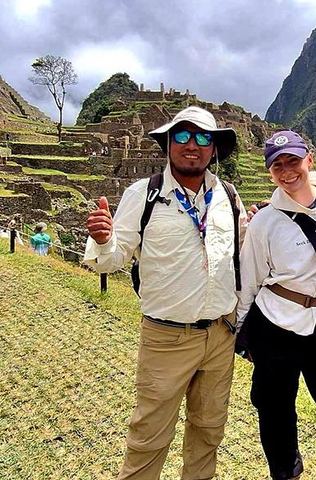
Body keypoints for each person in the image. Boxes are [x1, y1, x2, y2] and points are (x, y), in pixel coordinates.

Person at [84, 106, 247, 480]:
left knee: (209, 431)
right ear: (169, 143)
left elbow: (242, 253)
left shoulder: (228, 196)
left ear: (214, 148)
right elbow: (112, 259)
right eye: (184, 136)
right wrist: (103, 240)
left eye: (204, 137)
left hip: (220, 335)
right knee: (149, 437)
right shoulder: (143, 195)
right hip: (166, 338)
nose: (193, 145)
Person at [237, 131, 316, 480]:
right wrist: (243, 335)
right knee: (274, 411)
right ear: (270, 173)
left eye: (293, 160)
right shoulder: (264, 221)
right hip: (275, 326)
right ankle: (286, 471)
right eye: (278, 166)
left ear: (309, 159)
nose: (287, 171)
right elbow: (250, 280)